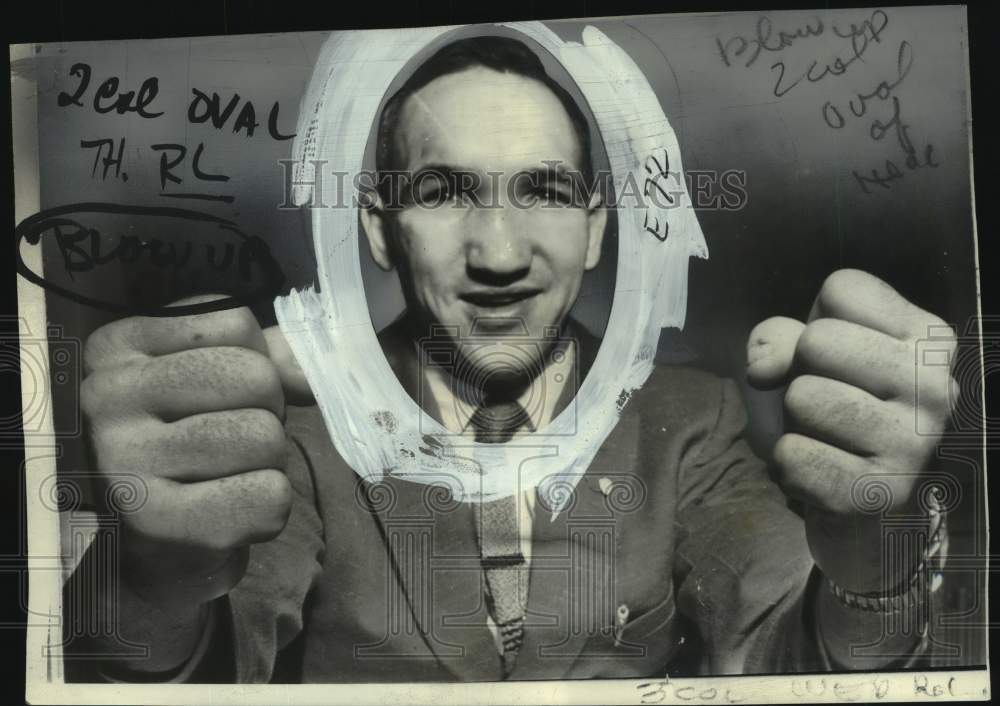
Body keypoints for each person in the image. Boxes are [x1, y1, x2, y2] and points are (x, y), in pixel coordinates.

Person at [68, 35, 957, 682]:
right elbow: (213, 653)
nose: (498, 253)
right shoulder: (287, 429)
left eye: (544, 190)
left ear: (598, 225)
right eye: (444, 191)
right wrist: (146, 588)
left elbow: (784, 658)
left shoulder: (692, 418)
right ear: (379, 228)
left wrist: (875, 572)